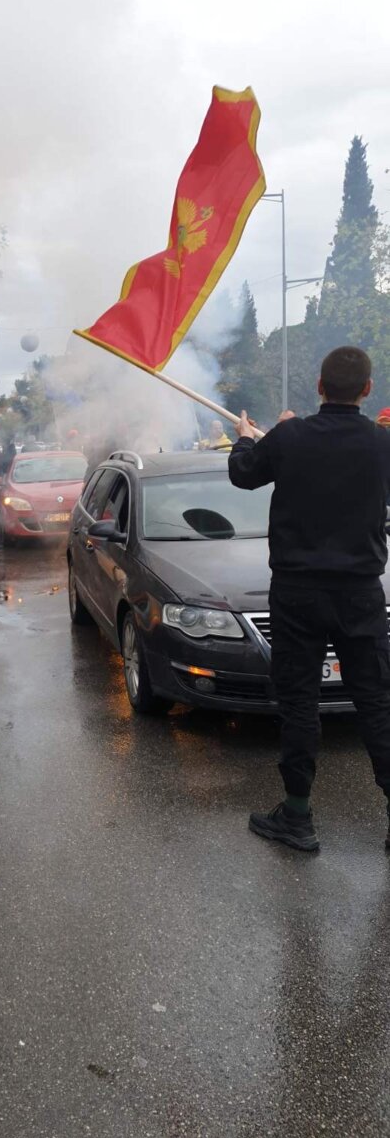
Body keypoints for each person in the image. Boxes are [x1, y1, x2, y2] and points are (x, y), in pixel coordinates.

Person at [229, 346, 390, 852]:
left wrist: (246, 440)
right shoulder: (381, 443)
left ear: (319, 386)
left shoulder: (291, 435)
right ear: (367, 390)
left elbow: (244, 473)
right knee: (378, 704)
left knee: (300, 703)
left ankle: (297, 817)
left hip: (297, 593)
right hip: (361, 594)